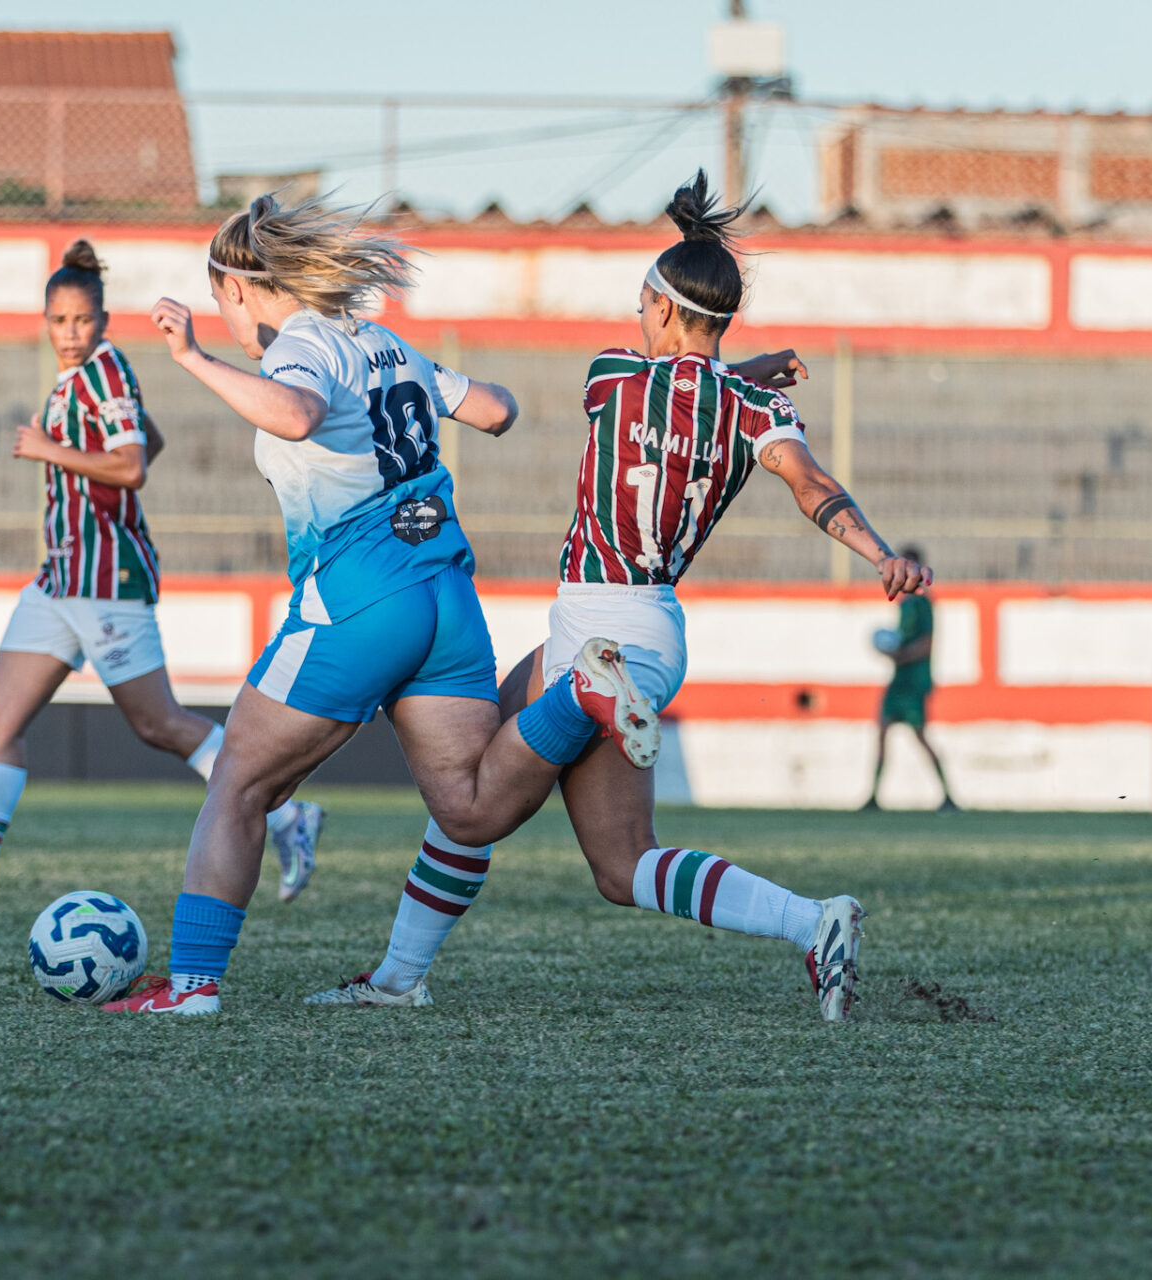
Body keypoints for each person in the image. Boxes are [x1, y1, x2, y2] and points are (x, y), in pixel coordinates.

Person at [304, 173, 931, 1022]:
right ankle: (814, 922)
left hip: (597, 624)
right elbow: (807, 482)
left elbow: (669, 393)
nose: (637, 317)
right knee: (620, 865)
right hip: (649, 629)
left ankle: (400, 974)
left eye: (645, 304)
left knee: (475, 802)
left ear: (665, 310)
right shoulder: (758, 412)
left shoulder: (609, 378)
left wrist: (744, 370)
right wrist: (880, 553)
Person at [100, 194, 658, 1015]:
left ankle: (190, 988)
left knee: (238, 785)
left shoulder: (302, 346)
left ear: (243, 289)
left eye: (219, 299)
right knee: (468, 812)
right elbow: (499, 409)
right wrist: (435, 387)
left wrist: (189, 359)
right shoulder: (386, 343)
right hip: (446, 599)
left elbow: (293, 414)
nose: (220, 316)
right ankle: (575, 696)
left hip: (362, 602)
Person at [0, 240, 322, 915]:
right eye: (58, 321)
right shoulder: (82, 379)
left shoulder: (104, 371)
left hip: (106, 579)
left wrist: (47, 449)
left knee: (159, 724)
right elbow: (149, 439)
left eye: (82, 321)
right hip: (60, 578)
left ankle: (290, 818)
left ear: (103, 320)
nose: (70, 333)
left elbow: (132, 466)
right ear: (45, 320)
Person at [863, 543, 959, 813]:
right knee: (882, 732)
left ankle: (948, 797)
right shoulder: (904, 604)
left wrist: (899, 654)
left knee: (920, 737)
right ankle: (873, 797)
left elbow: (926, 645)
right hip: (900, 679)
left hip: (915, 680)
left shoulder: (923, 603)